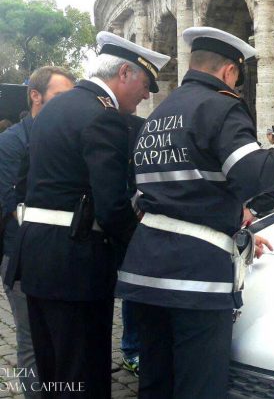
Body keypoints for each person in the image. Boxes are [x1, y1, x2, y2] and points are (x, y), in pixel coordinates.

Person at [115, 26, 274, 399]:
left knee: (157, 380)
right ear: (229, 72)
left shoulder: (159, 114)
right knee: (199, 385)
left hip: (146, 270)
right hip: (196, 277)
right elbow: (254, 174)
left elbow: (170, 188)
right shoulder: (221, 106)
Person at [4, 32, 170, 398]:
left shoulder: (51, 111)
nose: (146, 95)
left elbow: (23, 185)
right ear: (124, 73)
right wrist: (146, 250)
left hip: (35, 260)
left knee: (52, 373)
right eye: (145, 85)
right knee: (83, 377)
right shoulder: (102, 117)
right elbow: (111, 207)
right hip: (76, 267)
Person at [0, 66, 75, 397]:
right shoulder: (11, 142)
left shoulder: (67, 137)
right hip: (21, 257)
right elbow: (7, 205)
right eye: (60, 97)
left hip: (61, 257)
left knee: (63, 343)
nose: (66, 104)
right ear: (35, 95)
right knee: (31, 345)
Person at [120, 113, 146, 377]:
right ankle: (131, 349)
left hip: (143, 217)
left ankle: (134, 347)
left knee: (136, 289)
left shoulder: (141, 126)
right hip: (126, 218)